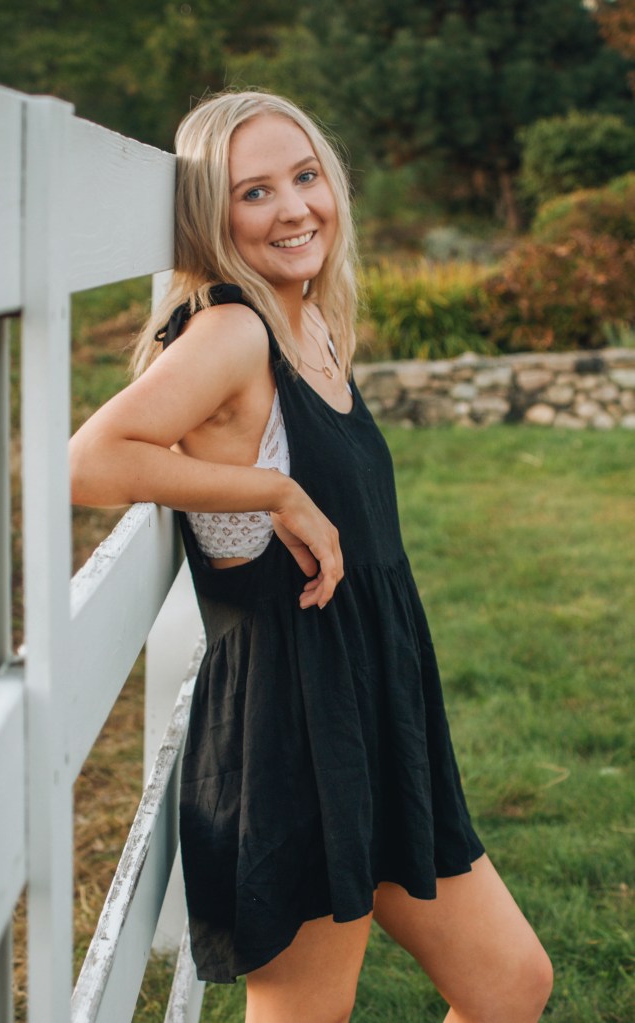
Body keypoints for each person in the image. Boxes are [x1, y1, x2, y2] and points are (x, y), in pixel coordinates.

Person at [70, 90, 553, 1023]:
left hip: (374, 709)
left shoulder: (311, 322)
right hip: (293, 730)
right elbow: (86, 463)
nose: (294, 208)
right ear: (210, 216)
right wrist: (275, 491)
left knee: (510, 984)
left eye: (306, 176)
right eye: (255, 192)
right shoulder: (233, 331)